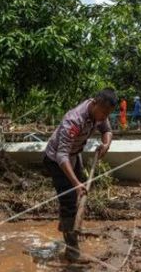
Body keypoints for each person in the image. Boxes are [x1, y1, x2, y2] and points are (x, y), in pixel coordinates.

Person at [43, 88, 117, 262]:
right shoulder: (74, 120)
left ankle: (68, 228)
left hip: (74, 156)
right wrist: (75, 183)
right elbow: (61, 155)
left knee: (80, 193)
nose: (104, 117)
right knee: (70, 198)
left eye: (108, 114)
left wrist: (106, 144)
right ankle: (72, 252)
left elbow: (107, 130)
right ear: (94, 103)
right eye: (103, 112)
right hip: (56, 160)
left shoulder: (100, 113)